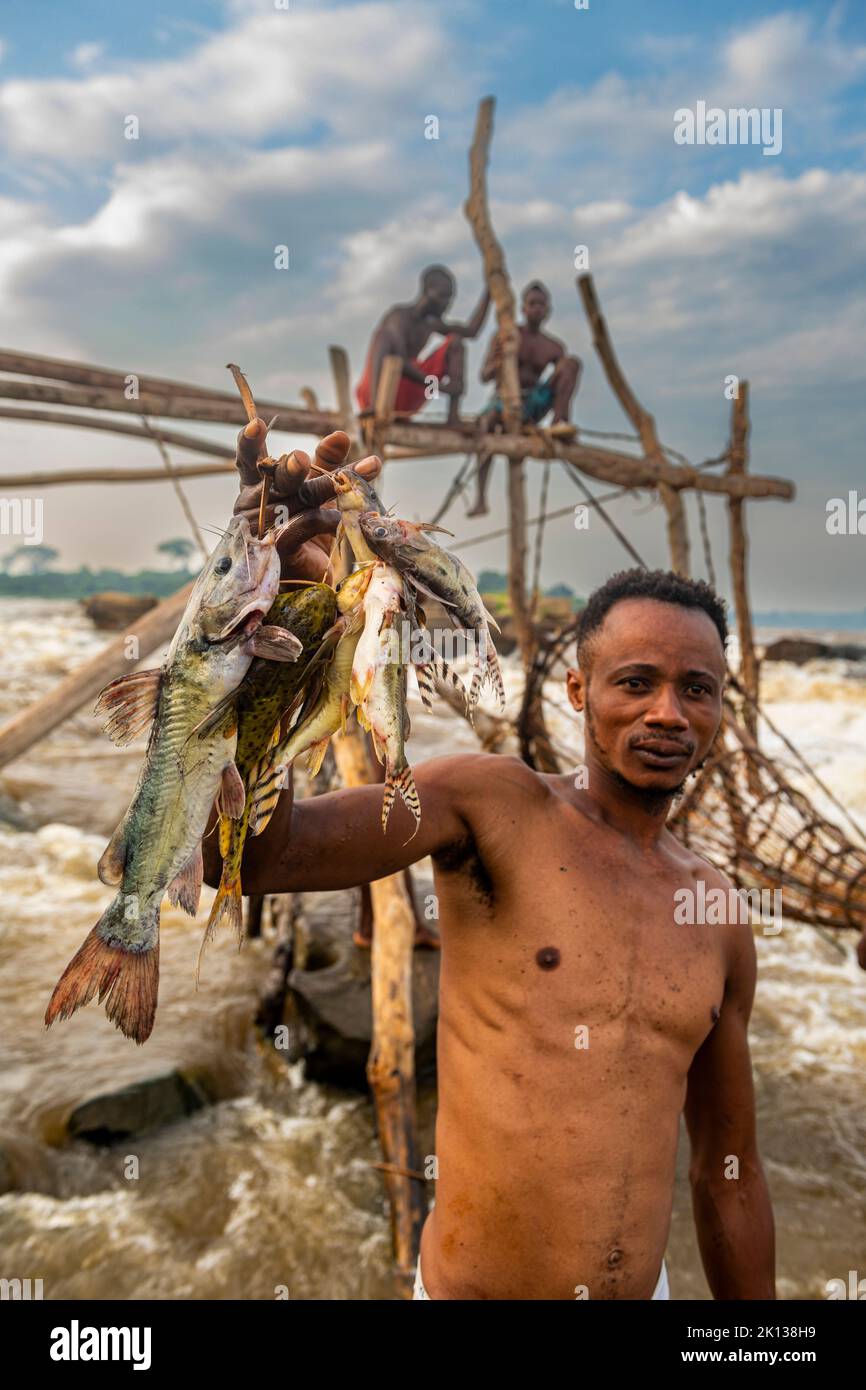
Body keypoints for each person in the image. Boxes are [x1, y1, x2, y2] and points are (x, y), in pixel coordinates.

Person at [213, 429, 777, 1301]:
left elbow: (729, 1171)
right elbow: (253, 857)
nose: (668, 712)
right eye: (636, 682)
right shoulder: (492, 808)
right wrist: (283, 609)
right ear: (578, 691)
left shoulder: (716, 915)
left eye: (695, 689)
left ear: (718, 712)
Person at [468, 280, 582, 517]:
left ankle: (560, 423)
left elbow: (563, 379)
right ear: (523, 308)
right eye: (532, 304)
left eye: (541, 304)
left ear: (548, 310)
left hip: (534, 404)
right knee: (485, 424)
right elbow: (484, 376)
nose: (536, 309)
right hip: (503, 400)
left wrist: (558, 399)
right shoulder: (507, 336)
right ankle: (480, 497)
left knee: (572, 363)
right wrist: (498, 361)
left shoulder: (553, 347)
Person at [355, 265, 490, 426]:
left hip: (410, 397)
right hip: (381, 392)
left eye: (450, 298)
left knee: (456, 341)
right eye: (443, 296)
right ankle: (374, 407)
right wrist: (438, 386)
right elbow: (400, 363)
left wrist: (489, 292)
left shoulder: (432, 323)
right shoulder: (399, 317)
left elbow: (471, 331)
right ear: (428, 290)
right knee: (383, 336)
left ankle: (453, 418)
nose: (448, 303)